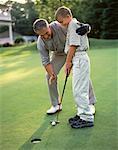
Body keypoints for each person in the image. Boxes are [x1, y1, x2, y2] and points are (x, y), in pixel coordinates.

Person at [33, 18, 96, 116]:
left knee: (82, 73)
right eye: (42, 35)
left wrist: (87, 28)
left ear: (49, 26)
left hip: (72, 50)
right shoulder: (40, 42)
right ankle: (55, 105)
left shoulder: (59, 26)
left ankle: (90, 103)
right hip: (59, 55)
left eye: (46, 33)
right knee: (49, 76)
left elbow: (74, 24)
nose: (45, 36)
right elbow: (45, 61)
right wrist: (52, 75)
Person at [55, 6, 96, 128]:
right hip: (77, 59)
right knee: (77, 89)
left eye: (62, 21)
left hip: (79, 58)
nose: (62, 25)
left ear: (68, 16)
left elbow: (73, 45)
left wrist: (68, 63)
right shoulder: (73, 24)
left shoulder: (72, 24)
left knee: (80, 90)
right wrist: (71, 62)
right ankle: (81, 114)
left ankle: (87, 117)